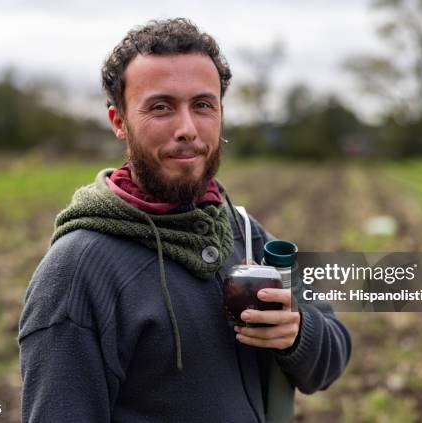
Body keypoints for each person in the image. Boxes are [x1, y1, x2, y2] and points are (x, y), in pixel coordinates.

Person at [18, 18, 351, 423]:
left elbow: (333, 355)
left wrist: (297, 333)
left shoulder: (242, 231)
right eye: (161, 107)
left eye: (203, 105)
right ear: (119, 122)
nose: (187, 129)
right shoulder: (77, 272)